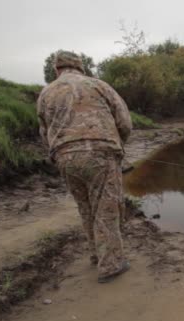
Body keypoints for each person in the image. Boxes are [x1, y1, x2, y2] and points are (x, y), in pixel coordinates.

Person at [37, 51, 132, 283]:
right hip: (101, 155)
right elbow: (125, 122)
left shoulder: (46, 93)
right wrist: (119, 145)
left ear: (57, 69)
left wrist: (59, 153)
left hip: (65, 157)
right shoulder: (99, 85)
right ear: (81, 67)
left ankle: (96, 254)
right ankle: (111, 265)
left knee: (86, 207)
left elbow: (44, 131)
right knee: (106, 209)